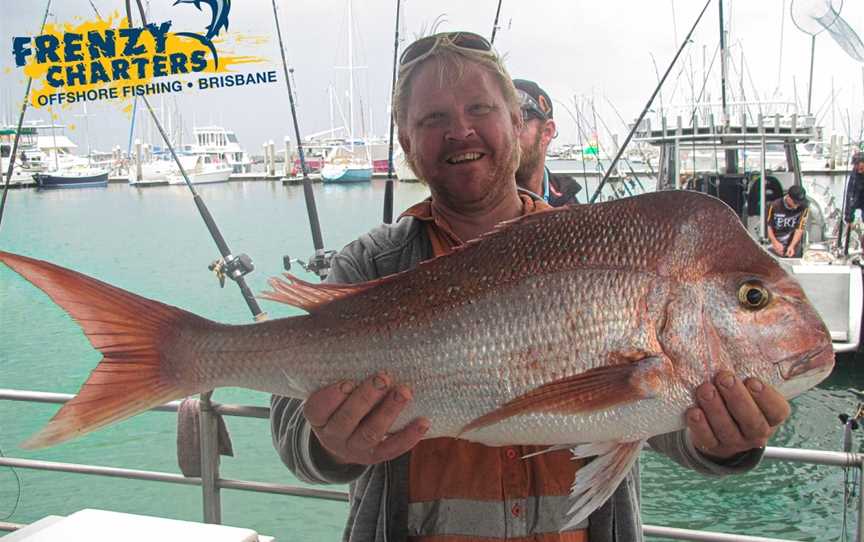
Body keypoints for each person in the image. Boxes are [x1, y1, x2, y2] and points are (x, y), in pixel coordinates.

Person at [270, 31, 791, 542]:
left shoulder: (601, 250)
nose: (460, 132)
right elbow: (292, 420)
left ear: (517, 124)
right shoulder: (367, 264)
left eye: (480, 109)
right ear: (407, 143)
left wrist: (723, 441)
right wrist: (331, 445)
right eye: (433, 119)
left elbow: (658, 418)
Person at [513, 78, 582, 207]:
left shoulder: (567, 200)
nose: (506, 131)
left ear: (547, 132)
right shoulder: (473, 202)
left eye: (517, 120)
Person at [766, 185, 810, 258]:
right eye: (795, 203)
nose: (797, 205)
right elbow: (769, 226)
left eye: (800, 203)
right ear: (788, 198)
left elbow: (800, 228)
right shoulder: (774, 205)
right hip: (775, 242)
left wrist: (792, 246)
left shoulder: (804, 207)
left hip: (793, 244)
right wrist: (774, 242)